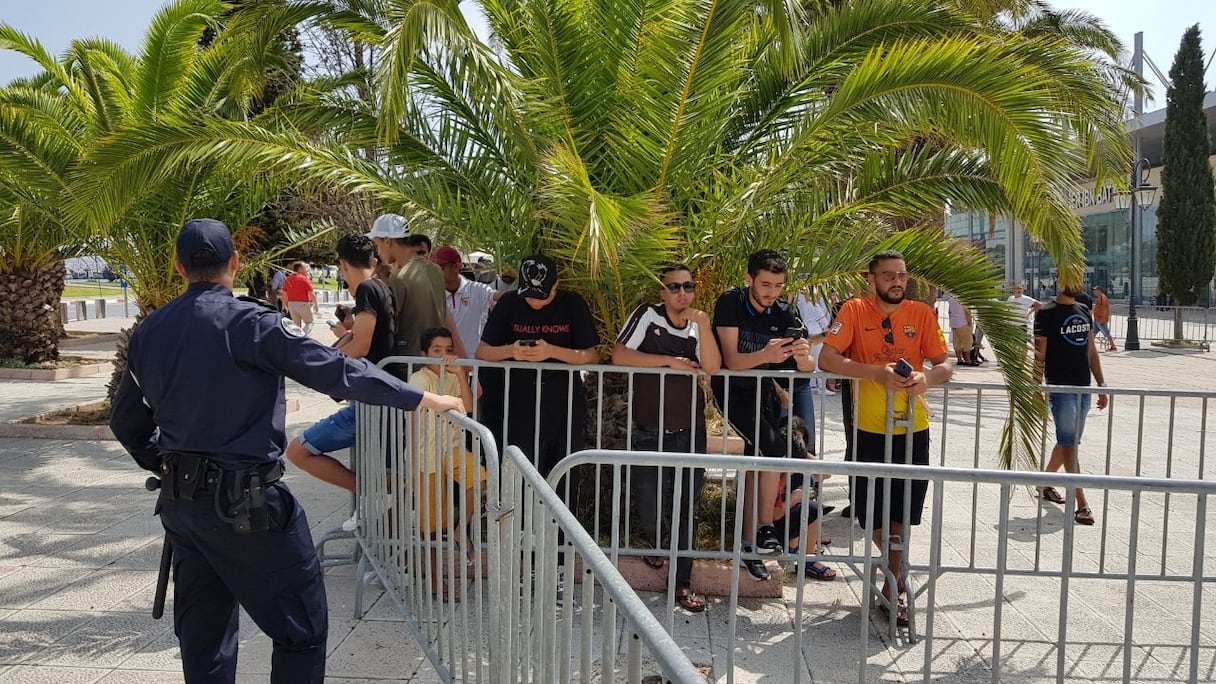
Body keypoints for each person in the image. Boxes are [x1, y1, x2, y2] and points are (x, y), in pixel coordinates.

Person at [109, 219, 464, 683]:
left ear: (179, 268)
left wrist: (168, 464)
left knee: (204, 638)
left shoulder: (150, 330)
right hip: (248, 505)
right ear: (235, 262)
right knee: (301, 631)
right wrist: (421, 397)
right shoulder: (252, 323)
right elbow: (336, 370)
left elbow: (126, 421)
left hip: (184, 505)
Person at [819, 249, 953, 627]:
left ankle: (895, 584)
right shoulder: (854, 310)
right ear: (871, 278)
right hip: (867, 429)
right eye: (889, 275)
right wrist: (876, 373)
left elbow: (945, 365)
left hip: (913, 429)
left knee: (901, 513)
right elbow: (827, 359)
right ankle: (896, 565)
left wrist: (927, 378)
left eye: (902, 275)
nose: (897, 282)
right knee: (869, 514)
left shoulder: (921, 313)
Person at [612, 263, 721, 613]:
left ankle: (682, 581)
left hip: (691, 430)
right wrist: (669, 362)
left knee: (687, 506)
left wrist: (704, 324)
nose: (682, 293)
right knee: (648, 498)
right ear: (662, 292)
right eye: (674, 287)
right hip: (649, 428)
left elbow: (713, 366)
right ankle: (659, 540)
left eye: (688, 286)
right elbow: (619, 355)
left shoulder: (698, 325)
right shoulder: (648, 315)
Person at [710, 250, 814, 582]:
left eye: (778, 285)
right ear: (749, 279)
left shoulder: (784, 311)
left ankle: (748, 545)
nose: (772, 292)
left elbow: (805, 368)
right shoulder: (730, 302)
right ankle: (766, 527)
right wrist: (766, 353)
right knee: (771, 450)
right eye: (766, 284)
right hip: (731, 391)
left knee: (757, 462)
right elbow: (731, 360)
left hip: (764, 393)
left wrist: (803, 358)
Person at [284, 235, 399, 501]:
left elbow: (361, 344)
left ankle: (370, 492)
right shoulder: (381, 287)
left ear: (343, 265)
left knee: (298, 451)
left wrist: (323, 366)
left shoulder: (368, 289)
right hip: (379, 394)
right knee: (388, 473)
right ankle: (377, 497)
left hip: (371, 398)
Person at [476, 254, 599, 477]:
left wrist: (551, 351)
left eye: (541, 296)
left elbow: (591, 356)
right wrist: (512, 351)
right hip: (518, 404)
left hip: (564, 403)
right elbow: (482, 352)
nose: (533, 302)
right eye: (528, 296)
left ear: (556, 285)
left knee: (565, 470)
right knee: (522, 471)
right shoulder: (508, 302)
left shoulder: (573, 304)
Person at [408, 327, 485, 596]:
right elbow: (414, 418)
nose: (443, 355)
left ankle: (460, 529)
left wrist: (461, 374)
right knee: (430, 526)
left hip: (451, 448)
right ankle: (434, 581)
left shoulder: (452, 376)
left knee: (480, 479)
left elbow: (469, 407)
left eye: (448, 350)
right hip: (426, 455)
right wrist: (412, 464)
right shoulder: (419, 378)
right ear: (424, 354)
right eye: (436, 350)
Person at [1034, 282, 1108, 526]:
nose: (1078, 283)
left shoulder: (1084, 309)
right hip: (1060, 387)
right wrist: (1036, 387)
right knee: (1069, 445)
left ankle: (1044, 483)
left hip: (1083, 387)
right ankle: (1082, 503)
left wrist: (1101, 384)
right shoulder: (1045, 313)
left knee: (1069, 442)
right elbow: (1039, 355)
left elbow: (1091, 350)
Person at [366, 213, 466, 358]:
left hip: (409, 359)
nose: (378, 252)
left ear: (387, 241)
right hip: (436, 359)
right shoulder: (435, 269)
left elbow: (390, 323)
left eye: (377, 245)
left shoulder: (400, 277)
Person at [771, 416, 835, 581]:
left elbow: (825, 473)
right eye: (793, 441)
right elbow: (775, 514)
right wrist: (795, 497)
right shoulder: (775, 468)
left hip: (784, 518)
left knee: (809, 480)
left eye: (800, 441)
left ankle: (802, 545)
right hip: (772, 528)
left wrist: (803, 454)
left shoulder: (795, 463)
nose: (797, 445)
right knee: (812, 507)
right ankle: (806, 557)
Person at [433, 245, 501, 358]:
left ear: (456, 267)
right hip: (444, 363)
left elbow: (499, 297)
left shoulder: (478, 290)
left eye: (441, 268)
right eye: (434, 268)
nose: (436, 272)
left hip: (474, 362)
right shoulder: (433, 295)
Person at [282, 261, 319, 334]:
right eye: (305, 267)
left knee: (296, 325)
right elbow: (311, 293)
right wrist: (316, 304)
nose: (307, 269)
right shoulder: (304, 279)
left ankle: (297, 338)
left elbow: (284, 293)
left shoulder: (288, 279)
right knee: (309, 323)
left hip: (291, 304)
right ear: (300, 269)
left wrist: (284, 305)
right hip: (303, 304)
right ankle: (303, 336)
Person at [947, 296, 976, 366]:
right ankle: (968, 360)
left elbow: (949, 312)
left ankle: (959, 359)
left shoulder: (951, 300)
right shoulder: (964, 299)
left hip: (954, 323)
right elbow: (967, 312)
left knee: (956, 342)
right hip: (963, 322)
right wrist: (969, 322)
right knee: (967, 342)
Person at [1091, 285, 1116, 351]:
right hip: (1097, 319)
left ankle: (1113, 346)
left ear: (1099, 291)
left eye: (1095, 291)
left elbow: (1104, 309)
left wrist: (1103, 319)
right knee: (1093, 333)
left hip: (1100, 319)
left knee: (1106, 333)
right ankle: (1090, 346)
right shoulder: (1100, 298)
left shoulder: (1102, 298)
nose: (1094, 292)